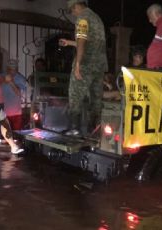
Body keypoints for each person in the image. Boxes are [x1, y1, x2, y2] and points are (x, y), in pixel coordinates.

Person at [59, 0, 108, 136]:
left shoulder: (82, 18)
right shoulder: (96, 18)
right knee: (96, 97)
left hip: (86, 63)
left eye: (72, 11)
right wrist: (68, 42)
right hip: (99, 64)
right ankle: (95, 130)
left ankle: (74, 128)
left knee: (75, 94)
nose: (73, 14)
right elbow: (90, 42)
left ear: (76, 6)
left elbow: (82, 40)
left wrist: (78, 64)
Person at [1, 59, 27, 130]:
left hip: (16, 113)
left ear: (17, 69)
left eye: (14, 69)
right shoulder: (1, 76)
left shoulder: (21, 79)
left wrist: (11, 82)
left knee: (16, 135)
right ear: (7, 69)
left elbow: (19, 94)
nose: (12, 71)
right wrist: (4, 80)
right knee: (5, 135)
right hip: (3, 113)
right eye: (10, 69)